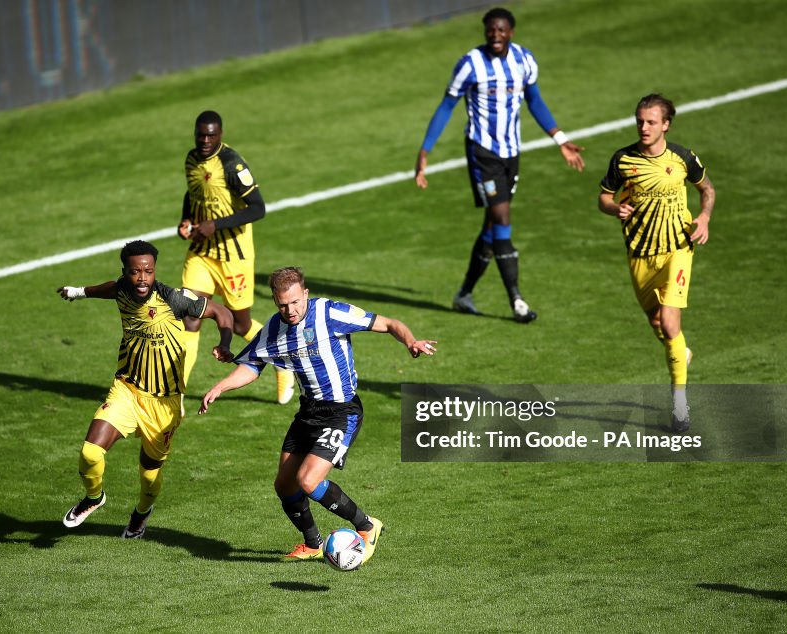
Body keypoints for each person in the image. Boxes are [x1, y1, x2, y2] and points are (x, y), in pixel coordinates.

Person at [198, 266, 437, 561]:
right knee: (284, 485)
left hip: (342, 412)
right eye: (283, 305)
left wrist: (410, 341)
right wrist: (220, 387)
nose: (291, 310)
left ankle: (366, 525)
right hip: (308, 412)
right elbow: (251, 365)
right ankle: (313, 544)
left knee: (308, 481)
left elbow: (388, 323)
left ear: (305, 294)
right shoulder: (274, 328)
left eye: (296, 302)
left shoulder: (329, 313)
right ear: (275, 301)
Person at [414, 6, 584, 323]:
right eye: (491, 29)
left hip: (511, 153)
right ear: (485, 31)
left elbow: (535, 100)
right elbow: (447, 106)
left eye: (501, 30)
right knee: (502, 217)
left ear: (511, 32)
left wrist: (560, 139)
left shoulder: (524, 61)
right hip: (483, 153)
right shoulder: (470, 65)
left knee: (492, 226)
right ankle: (517, 301)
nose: (495, 35)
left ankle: (464, 294)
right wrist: (425, 151)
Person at [56, 240, 235, 537]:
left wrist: (225, 344)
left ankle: (142, 512)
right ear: (125, 272)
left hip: (164, 403)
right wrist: (78, 292)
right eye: (135, 272)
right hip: (127, 389)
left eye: (148, 272)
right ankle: (93, 497)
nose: (142, 278)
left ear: (154, 271)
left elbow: (222, 313)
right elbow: (106, 289)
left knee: (149, 473)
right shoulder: (122, 289)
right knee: (90, 453)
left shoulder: (175, 299)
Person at [598, 94, 715, 433]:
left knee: (669, 320)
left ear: (666, 124)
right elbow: (604, 197)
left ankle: (679, 405)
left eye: (651, 121)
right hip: (639, 255)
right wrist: (613, 208)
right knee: (659, 327)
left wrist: (704, 217)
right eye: (640, 121)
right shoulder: (623, 160)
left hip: (678, 248)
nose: (643, 127)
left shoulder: (682, 158)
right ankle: (682, 353)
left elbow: (707, 189)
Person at [178, 110, 295, 404]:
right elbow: (193, 192)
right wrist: (186, 219)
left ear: (220, 135)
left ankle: (282, 363)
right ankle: (175, 392)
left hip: (234, 256)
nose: (205, 140)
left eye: (211, 135)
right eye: (200, 135)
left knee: (241, 325)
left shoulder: (232, 164)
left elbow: (258, 208)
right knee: (191, 316)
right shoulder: (192, 160)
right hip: (202, 253)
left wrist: (214, 225)